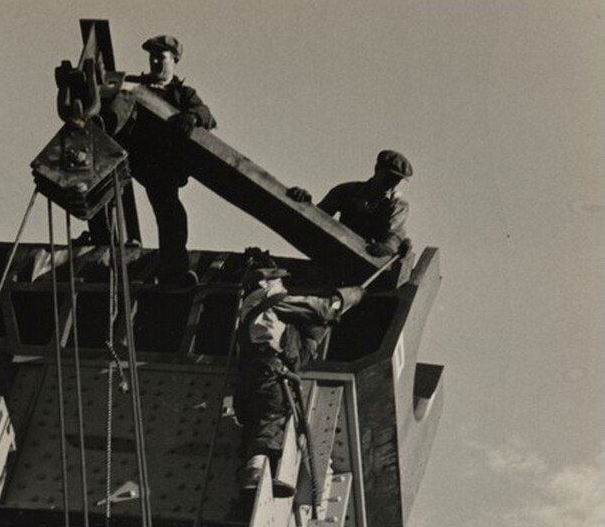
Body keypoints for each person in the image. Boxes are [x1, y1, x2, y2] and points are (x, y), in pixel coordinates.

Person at [233, 252, 364, 493]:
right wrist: (350, 297)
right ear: (265, 281)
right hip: (271, 372)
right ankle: (254, 475)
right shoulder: (271, 297)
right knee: (274, 418)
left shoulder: (248, 307)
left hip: (250, 376)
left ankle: (255, 470)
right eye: (279, 280)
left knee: (259, 422)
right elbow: (320, 309)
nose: (283, 286)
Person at [117, 35, 216, 285]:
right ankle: (120, 254)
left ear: (174, 60)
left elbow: (206, 114)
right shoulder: (135, 88)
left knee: (170, 213)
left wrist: (192, 117)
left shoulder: (183, 93)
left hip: (164, 165)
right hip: (137, 158)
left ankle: (173, 270)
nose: (154, 61)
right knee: (113, 196)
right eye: (152, 56)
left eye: (160, 57)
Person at [287, 150, 413, 258]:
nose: (392, 183)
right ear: (377, 169)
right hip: (340, 250)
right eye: (389, 176)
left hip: (371, 258)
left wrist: (387, 248)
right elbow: (319, 216)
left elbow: (395, 234)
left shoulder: (398, 204)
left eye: (397, 180)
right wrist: (303, 202)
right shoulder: (346, 190)